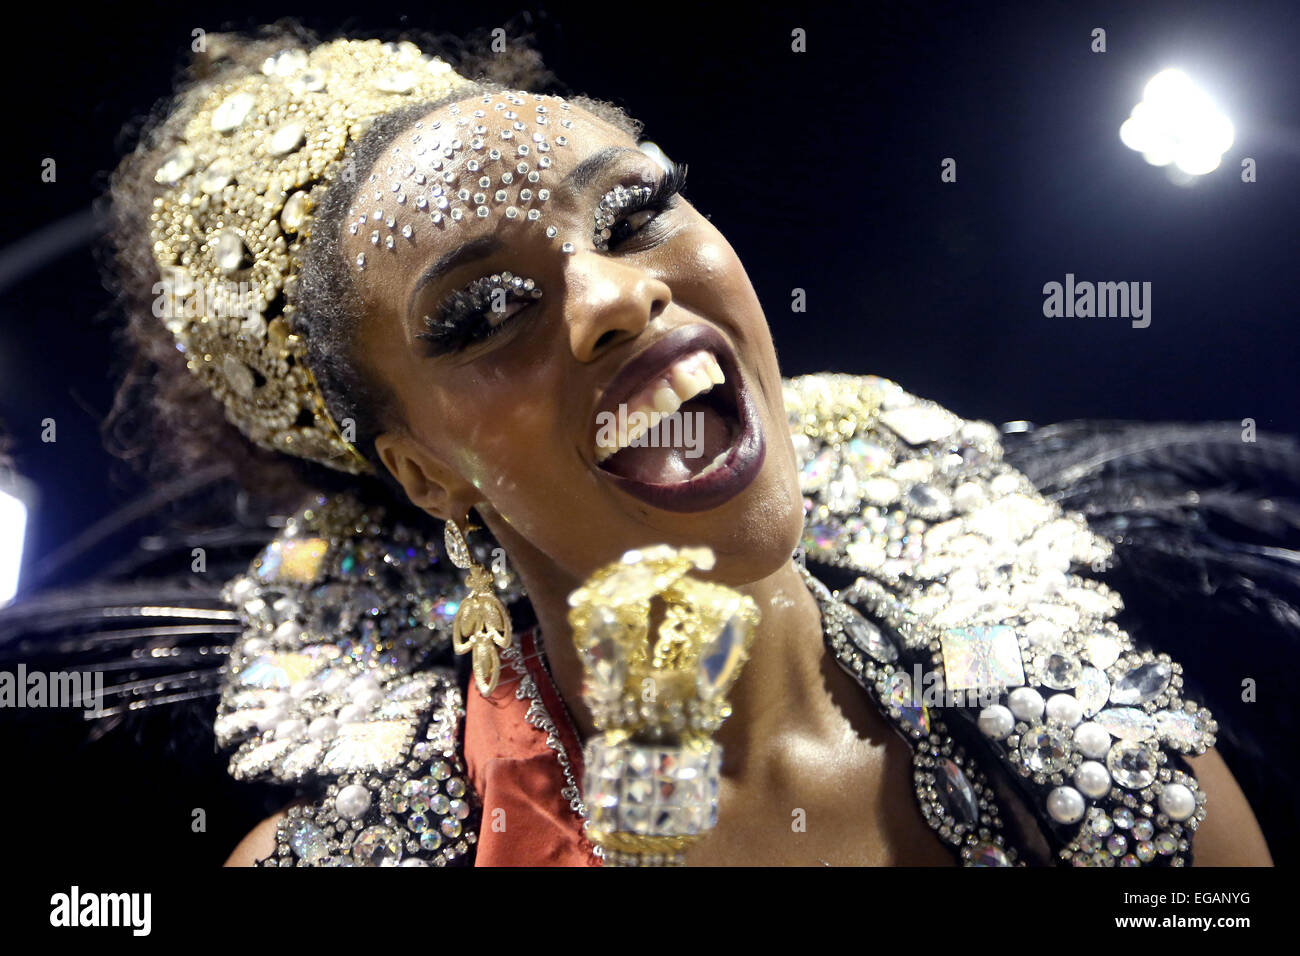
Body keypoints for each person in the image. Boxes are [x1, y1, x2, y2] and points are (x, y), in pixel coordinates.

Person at [64, 26, 1297, 866]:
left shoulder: (1050, 705)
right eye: (484, 312)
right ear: (427, 471)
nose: (613, 296)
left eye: (634, 210)